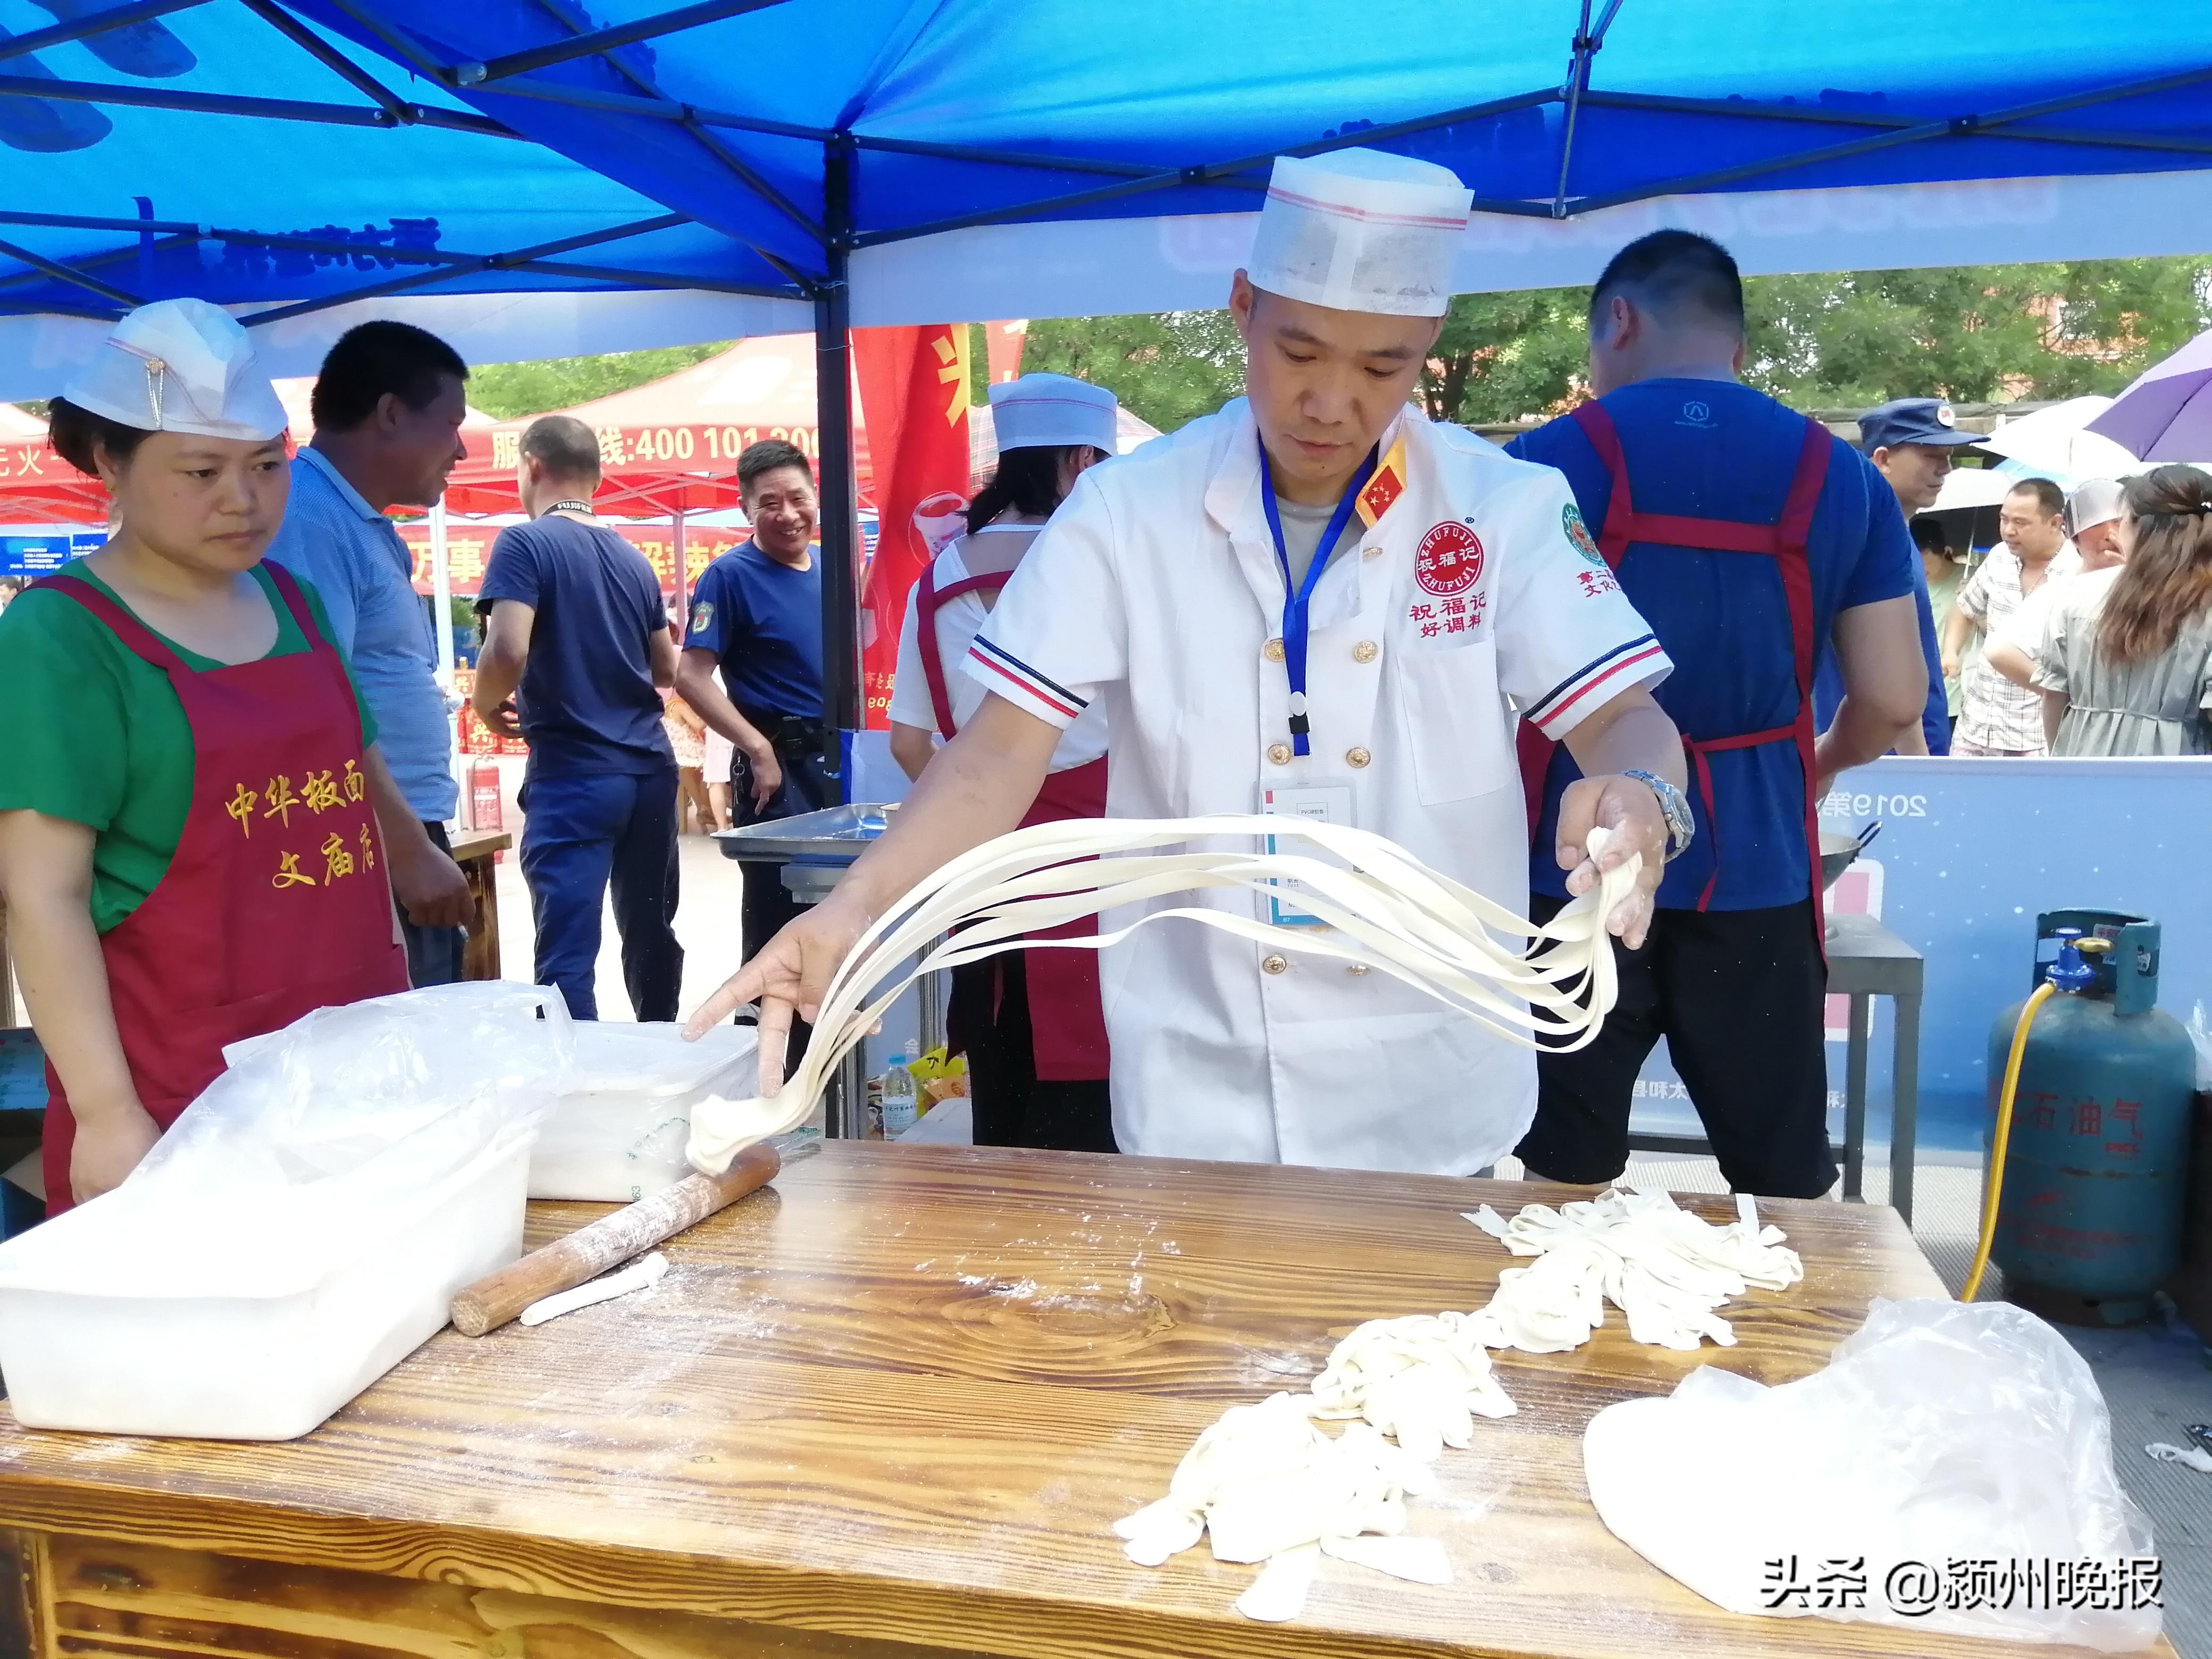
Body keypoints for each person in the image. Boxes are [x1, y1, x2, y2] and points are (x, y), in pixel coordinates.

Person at [689, 148, 1690, 1178]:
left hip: (1431, 1082)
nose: (1331, 402)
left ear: (1427, 341)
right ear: (1243, 306)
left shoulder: (1501, 509)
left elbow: (1622, 718)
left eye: (1380, 367)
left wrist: (1646, 794)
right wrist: (856, 907)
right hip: (1198, 1083)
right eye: (1299, 351)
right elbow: (993, 755)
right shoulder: (1127, 512)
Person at [1506, 231, 1927, 1199]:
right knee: (1782, 1185)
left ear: (1618, 320)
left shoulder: (1537, 467)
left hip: (1573, 867)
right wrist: (1817, 765)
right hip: (1760, 866)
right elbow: (1894, 698)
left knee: (1560, 1180)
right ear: (1737, 342)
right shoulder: (1844, 477)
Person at [0, 300, 407, 1212]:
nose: (243, 500)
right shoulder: (59, 637)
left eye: (266, 465)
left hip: (353, 1060)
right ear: (110, 461)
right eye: (201, 471)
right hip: (180, 1087)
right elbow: (43, 896)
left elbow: (351, 816)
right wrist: (106, 1113)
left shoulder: (295, 602)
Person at [887, 373, 1119, 1152]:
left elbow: (909, 743)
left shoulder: (937, 578)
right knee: (1103, 1126)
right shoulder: (1103, 569)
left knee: (1004, 1109)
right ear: (1083, 460)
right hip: (1106, 882)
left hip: (988, 879)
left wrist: (976, 808)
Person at [264, 321, 474, 986]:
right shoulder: (308, 520)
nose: (462, 449)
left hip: (388, 829)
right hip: (362, 839)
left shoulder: (351, 520)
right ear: (390, 413)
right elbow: (313, 704)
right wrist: (405, 849)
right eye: (452, 423)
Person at [472, 415, 682, 1021]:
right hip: (649, 769)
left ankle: (573, 1069)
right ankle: (660, 1046)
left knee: (567, 947)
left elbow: (507, 649)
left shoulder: (524, 544)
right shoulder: (634, 559)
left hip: (574, 774)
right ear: (597, 476)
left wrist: (485, 703)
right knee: (650, 929)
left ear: (532, 465)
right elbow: (665, 668)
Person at [673, 440, 837, 1029]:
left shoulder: (835, 567)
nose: (788, 515)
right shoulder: (729, 577)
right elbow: (690, 676)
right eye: (770, 503)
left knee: (837, 915)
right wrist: (756, 747)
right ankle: (763, 1059)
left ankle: (830, 1060)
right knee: (777, 920)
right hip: (778, 774)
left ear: (816, 498)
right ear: (746, 509)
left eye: (798, 498)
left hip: (839, 764)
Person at [1809, 397, 1982, 760]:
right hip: (1880, 761)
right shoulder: (1865, 540)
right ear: (1883, 459)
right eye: (1931, 455)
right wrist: (1919, 768)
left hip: (1887, 756)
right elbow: (1886, 675)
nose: (1945, 469)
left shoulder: (1892, 535)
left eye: (1948, 456)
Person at [2036, 466, 2212, 756]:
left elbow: (2054, 699)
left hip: (2083, 764)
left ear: (2139, 527)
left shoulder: (2076, 593)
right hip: (2178, 773)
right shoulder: (2204, 606)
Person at [1946, 477, 2080, 757]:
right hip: (1976, 726)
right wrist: (1951, 652)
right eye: (2004, 519)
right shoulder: (1998, 558)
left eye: (2021, 522)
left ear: (2055, 523)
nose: (2008, 530)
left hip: (2035, 736)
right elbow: (1965, 608)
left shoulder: (2078, 572)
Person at [1985, 477, 2126, 691]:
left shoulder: (2149, 582)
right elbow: (1999, 650)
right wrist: (2067, 695)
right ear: (2074, 537)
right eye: (2096, 524)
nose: (2110, 535)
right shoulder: (2065, 590)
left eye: (2119, 522)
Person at [1913, 518, 1967, 738]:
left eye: (1926, 560)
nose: (1921, 569)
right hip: (1919, 690)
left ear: (1944, 551)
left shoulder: (1969, 580)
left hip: (1958, 691)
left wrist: (1973, 604)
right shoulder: (1908, 585)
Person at [663, 692, 717, 833]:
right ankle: (706, 809)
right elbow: (698, 725)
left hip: (678, 752)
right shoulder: (679, 706)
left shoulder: (668, 706)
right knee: (713, 766)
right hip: (689, 752)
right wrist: (711, 713)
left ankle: (704, 810)